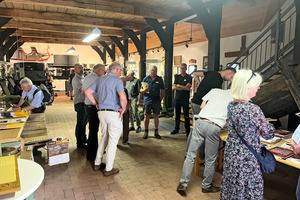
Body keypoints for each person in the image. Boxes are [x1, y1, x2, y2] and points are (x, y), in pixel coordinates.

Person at [220, 69, 275, 200]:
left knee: (232, 188)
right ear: (247, 87)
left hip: (232, 155)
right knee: (247, 190)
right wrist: (270, 126)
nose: (258, 87)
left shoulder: (231, 105)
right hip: (247, 159)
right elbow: (268, 134)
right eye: (256, 85)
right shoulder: (253, 109)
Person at [176, 89, 233, 196]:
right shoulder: (235, 98)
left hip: (200, 122)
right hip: (214, 126)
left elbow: (202, 107)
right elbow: (231, 118)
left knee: (190, 155)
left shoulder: (215, 91)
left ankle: (183, 184)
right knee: (210, 159)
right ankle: (206, 186)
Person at [85, 62, 127, 177]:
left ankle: (97, 163)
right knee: (113, 142)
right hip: (113, 113)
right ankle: (108, 168)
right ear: (117, 70)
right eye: (120, 71)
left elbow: (88, 92)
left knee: (104, 137)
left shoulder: (100, 79)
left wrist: (96, 104)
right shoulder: (117, 81)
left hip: (101, 112)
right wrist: (123, 109)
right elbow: (122, 97)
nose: (120, 74)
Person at [190, 67, 236, 160]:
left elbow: (195, 74)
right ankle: (201, 156)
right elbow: (214, 96)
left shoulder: (211, 72)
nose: (230, 80)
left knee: (198, 129)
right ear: (228, 71)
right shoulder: (218, 80)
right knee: (203, 132)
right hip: (200, 104)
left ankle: (193, 154)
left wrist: (200, 85)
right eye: (231, 77)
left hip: (196, 101)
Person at [82, 64, 106, 160]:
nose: (104, 73)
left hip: (89, 105)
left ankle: (94, 150)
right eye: (103, 71)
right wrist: (97, 102)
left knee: (93, 129)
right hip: (91, 106)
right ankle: (91, 154)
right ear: (99, 70)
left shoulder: (89, 77)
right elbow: (93, 93)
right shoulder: (94, 78)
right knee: (93, 130)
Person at [140, 66, 165, 139]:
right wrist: (144, 90)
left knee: (156, 116)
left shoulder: (159, 79)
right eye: (152, 70)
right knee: (146, 116)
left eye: (154, 70)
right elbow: (140, 90)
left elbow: (163, 90)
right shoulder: (146, 79)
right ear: (149, 71)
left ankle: (156, 132)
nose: (153, 72)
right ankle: (146, 132)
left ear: (156, 71)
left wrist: (160, 98)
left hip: (156, 101)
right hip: (147, 100)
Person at [171, 63, 192, 137]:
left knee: (186, 115)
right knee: (177, 114)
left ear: (186, 69)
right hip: (177, 99)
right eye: (181, 68)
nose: (182, 70)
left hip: (185, 99)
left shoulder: (189, 77)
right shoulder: (177, 77)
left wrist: (179, 86)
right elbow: (173, 88)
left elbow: (188, 88)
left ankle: (187, 130)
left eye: (183, 68)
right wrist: (183, 87)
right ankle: (176, 128)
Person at [72, 63, 88, 149]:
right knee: (80, 123)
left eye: (82, 67)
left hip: (84, 102)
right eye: (79, 68)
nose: (81, 69)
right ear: (75, 69)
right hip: (80, 103)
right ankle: (79, 143)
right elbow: (84, 90)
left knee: (84, 122)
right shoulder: (76, 79)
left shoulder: (82, 77)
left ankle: (84, 138)